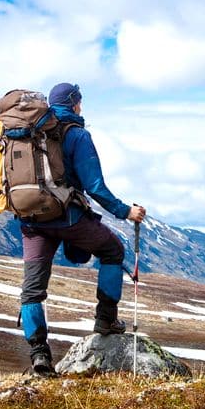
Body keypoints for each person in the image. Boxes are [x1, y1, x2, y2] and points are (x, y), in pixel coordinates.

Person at [18, 82, 146, 375]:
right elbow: (95, 186)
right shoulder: (77, 135)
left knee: (32, 291)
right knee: (113, 250)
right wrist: (126, 211)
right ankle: (106, 320)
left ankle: (39, 355)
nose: (82, 106)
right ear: (74, 103)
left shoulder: (27, 135)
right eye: (80, 101)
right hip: (69, 219)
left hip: (32, 221)